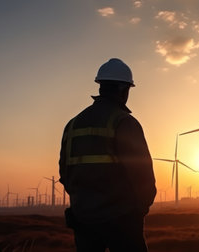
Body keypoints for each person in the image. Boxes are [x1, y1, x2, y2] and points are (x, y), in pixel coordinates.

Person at [59, 58, 156, 252]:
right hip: (121, 219)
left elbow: (65, 173)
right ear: (123, 89)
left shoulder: (73, 124)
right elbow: (142, 175)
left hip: (83, 219)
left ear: (101, 86)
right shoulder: (124, 122)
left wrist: (84, 202)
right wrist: (140, 209)